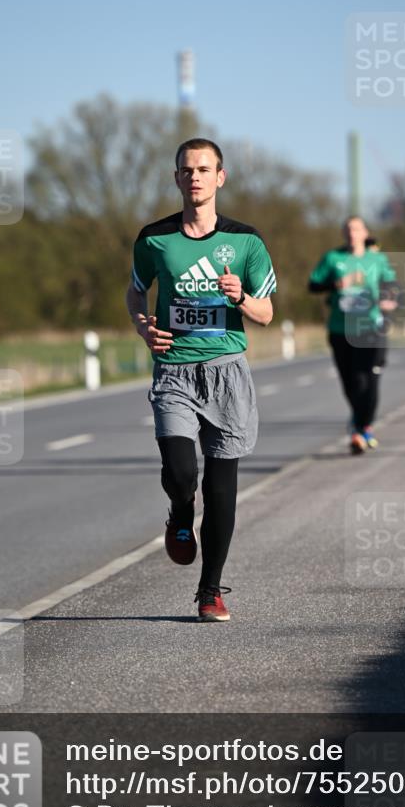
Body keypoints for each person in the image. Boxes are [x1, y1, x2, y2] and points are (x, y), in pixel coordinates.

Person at [126, 138, 276, 623]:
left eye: (204, 169)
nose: (195, 177)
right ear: (176, 178)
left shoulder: (246, 241)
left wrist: (240, 298)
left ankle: (210, 590)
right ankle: (178, 510)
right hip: (175, 371)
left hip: (228, 374)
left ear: (220, 177)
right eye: (187, 170)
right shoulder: (155, 239)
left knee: (223, 490)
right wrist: (143, 325)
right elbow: (134, 292)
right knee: (182, 472)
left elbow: (267, 313)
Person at [308, 216, 397, 454]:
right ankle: (360, 423)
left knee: (365, 378)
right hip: (340, 328)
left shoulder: (376, 259)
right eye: (348, 229)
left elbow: (390, 284)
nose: (352, 233)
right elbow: (313, 285)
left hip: (369, 328)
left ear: (365, 233)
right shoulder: (333, 258)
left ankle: (360, 426)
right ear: (343, 233)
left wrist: (389, 299)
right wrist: (336, 284)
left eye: (356, 229)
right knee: (349, 382)